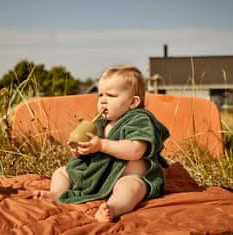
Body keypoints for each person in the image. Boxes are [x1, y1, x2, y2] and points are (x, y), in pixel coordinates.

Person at [33, 65, 169, 222]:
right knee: (62, 172)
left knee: (132, 188)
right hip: (100, 176)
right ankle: (56, 194)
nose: (103, 101)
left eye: (111, 95)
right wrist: (80, 150)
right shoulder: (100, 123)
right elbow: (92, 153)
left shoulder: (139, 119)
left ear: (133, 102)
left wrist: (102, 145)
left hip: (128, 176)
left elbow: (136, 150)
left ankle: (112, 208)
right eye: (100, 95)